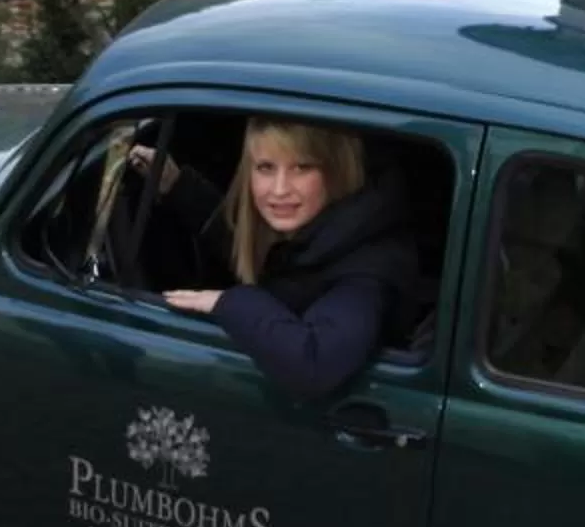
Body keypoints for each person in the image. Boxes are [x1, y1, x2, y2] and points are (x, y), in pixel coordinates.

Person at [161, 117, 422, 400]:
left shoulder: (367, 272)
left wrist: (228, 302)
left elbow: (315, 364)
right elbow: (260, 253)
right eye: (265, 168)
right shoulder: (328, 231)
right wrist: (178, 185)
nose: (280, 189)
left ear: (336, 171)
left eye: (302, 167)